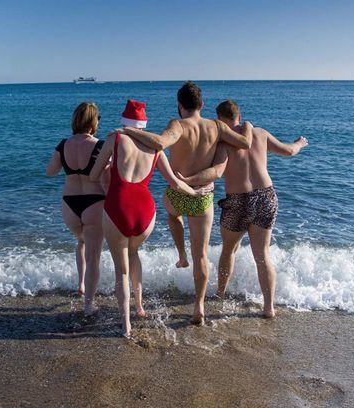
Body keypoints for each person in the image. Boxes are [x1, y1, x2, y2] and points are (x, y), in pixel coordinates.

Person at [120, 82, 253, 325]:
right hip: (203, 197)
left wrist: (129, 132)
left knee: (171, 211)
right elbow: (245, 143)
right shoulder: (217, 126)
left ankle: (181, 254)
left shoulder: (178, 124)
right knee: (201, 254)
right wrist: (248, 128)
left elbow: (160, 143)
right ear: (201, 105)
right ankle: (199, 306)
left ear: (180, 106)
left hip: (178, 193)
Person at [177, 100, 308, 317]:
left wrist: (187, 180)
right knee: (262, 254)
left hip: (238, 201)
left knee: (229, 250)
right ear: (239, 115)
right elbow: (289, 151)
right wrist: (300, 143)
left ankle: (220, 294)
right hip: (266, 197)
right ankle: (269, 308)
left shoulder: (223, 142)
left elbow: (217, 171)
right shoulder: (260, 133)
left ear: (219, 119)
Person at [90, 99, 197, 337]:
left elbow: (94, 174)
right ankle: (139, 305)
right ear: (144, 123)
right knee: (134, 254)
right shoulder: (156, 149)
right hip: (145, 213)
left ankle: (126, 324)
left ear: (124, 121)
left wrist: (109, 168)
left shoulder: (115, 139)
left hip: (118, 207)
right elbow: (175, 183)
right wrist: (196, 192)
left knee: (122, 271)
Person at [46, 102, 107, 315]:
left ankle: (81, 284)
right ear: (93, 121)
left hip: (69, 204)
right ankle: (89, 305)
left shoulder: (63, 145)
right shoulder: (100, 145)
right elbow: (107, 179)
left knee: (80, 241)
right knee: (94, 257)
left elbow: (50, 171)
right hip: (94, 203)